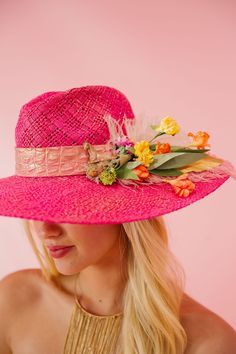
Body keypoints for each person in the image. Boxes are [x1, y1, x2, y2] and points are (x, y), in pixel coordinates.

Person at [0, 85, 235, 354]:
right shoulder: (14, 301)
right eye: (36, 207)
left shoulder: (207, 342)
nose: (44, 230)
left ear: (121, 207)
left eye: (65, 207)